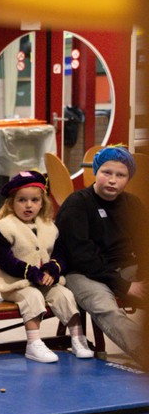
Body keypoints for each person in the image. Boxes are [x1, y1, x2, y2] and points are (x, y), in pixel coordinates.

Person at [0, 171, 94, 363]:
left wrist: (52, 269)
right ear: (11, 203)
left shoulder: (49, 226)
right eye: (22, 200)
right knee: (33, 297)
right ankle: (34, 343)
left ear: (42, 203)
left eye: (34, 200)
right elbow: (3, 259)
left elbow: (60, 253)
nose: (28, 205)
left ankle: (77, 338)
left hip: (43, 281)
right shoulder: (5, 227)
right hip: (15, 284)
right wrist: (30, 272)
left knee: (64, 295)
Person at [55, 146, 146, 359]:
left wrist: (143, 275)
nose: (113, 180)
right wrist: (125, 286)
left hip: (124, 267)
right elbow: (82, 257)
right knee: (105, 307)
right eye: (107, 172)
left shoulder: (133, 204)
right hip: (82, 272)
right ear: (95, 172)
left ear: (128, 178)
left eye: (120, 175)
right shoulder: (77, 204)